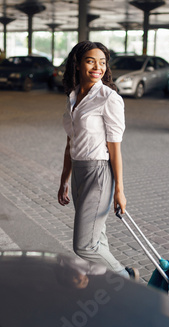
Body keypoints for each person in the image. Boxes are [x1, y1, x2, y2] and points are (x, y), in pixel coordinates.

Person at [57, 41, 139, 280]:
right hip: (79, 173)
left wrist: (119, 191)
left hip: (99, 174)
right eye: (91, 60)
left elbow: (115, 148)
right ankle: (109, 287)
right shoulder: (73, 97)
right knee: (96, 236)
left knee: (84, 245)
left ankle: (125, 279)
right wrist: (64, 180)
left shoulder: (108, 98)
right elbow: (70, 143)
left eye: (102, 62)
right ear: (78, 64)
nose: (98, 67)